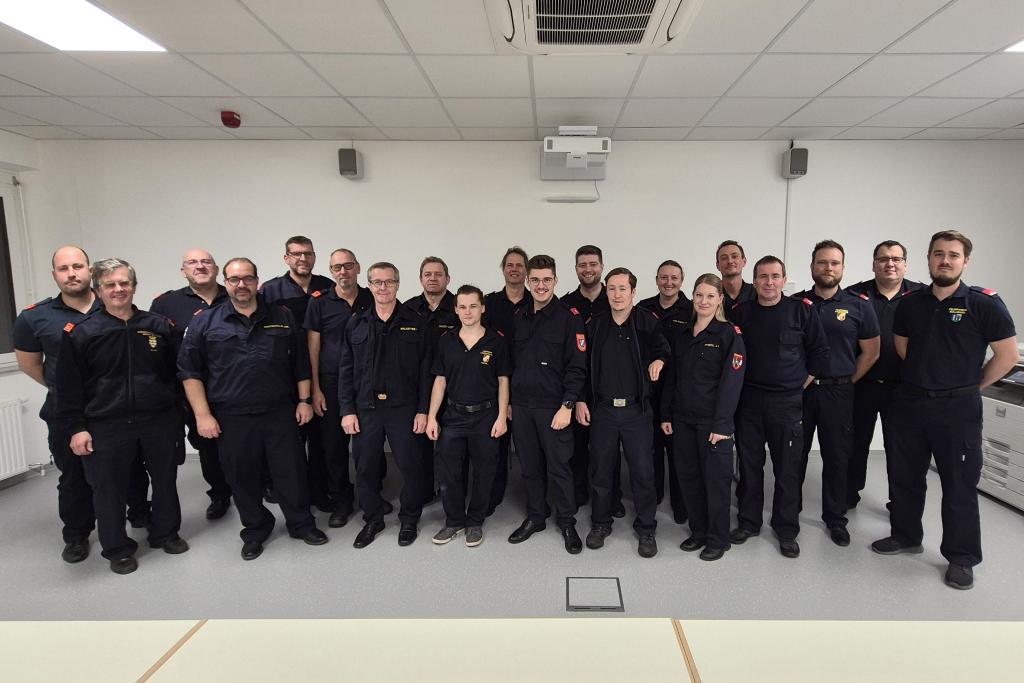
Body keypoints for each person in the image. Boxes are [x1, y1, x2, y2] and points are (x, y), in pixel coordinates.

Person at [872, 230, 1017, 590]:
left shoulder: (984, 303)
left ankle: (961, 557)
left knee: (958, 486)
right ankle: (906, 535)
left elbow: (1008, 356)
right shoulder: (911, 302)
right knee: (904, 477)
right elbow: (903, 346)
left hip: (958, 409)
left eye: (953, 255)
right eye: (939, 254)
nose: (945, 260)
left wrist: (970, 385)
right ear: (928, 258)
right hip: (911, 403)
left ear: (965, 261)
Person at [178, 257, 328, 561]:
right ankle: (256, 529)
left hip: (280, 412)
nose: (241, 285)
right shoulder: (205, 321)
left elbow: (299, 362)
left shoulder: (282, 316)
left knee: (291, 472)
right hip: (231, 416)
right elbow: (189, 372)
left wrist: (304, 400)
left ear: (257, 282)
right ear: (226, 282)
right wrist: (202, 415)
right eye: (234, 279)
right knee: (242, 476)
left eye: (247, 279)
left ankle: (301, 524)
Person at [13, 247, 149, 564]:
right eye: (63, 268)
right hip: (68, 413)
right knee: (74, 477)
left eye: (77, 266)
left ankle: (141, 514)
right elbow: (30, 364)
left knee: (131, 470)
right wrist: (66, 391)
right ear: (54, 275)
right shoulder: (35, 317)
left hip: (118, 410)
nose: (71, 273)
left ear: (90, 270)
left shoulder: (115, 301)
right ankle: (76, 535)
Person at [56, 258, 186, 575]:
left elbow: (174, 376)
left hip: (158, 420)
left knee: (166, 481)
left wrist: (175, 415)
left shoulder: (157, 325)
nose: (119, 290)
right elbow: (68, 388)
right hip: (105, 423)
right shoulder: (81, 332)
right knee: (108, 489)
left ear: (134, 286)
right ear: (98, 289)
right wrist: (77, 429)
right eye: (111, 284)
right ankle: (117, 548)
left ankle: (166, 533)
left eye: (124, 283)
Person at [729, 256, 829, 558]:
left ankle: (786, 529)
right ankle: (748, 522)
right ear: (754, 280)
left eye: (775, 276)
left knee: (787, 469)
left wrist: (797, 386)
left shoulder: (801, 312)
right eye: (762, 277)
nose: (769, 282)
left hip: (787, 404)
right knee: (749, 466)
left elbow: (819, 355)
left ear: (784, 280)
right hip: (748, 403)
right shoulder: (741, 313)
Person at [575, 268, 669, 558]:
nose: (617, 295)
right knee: (601, 471)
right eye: (612, 289)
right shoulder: (596, 324)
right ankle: (601, 524)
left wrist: (658, 360)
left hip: (636, 413)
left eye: (622, 289)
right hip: (602, 410)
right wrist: (580, 401)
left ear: (633, 292)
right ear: (606, 291)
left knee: (642, 473)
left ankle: (646, 529)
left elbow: (663, 349)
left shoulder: (646, 321)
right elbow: (580, 365)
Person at [339, 262, 432, 549]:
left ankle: (409, 519)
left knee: (411, 466)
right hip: (366, 408)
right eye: (377, 282)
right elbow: (345, 369)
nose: (383, 288)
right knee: (365, 467)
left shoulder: (416, 322)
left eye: (389, 282)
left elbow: (427, 370)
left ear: (398, 285)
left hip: (403, 409)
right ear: (369, 285)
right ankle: (373, 518)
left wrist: (423, 409)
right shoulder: (356, 323)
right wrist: (347, 410)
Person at [793, 240, 880, 547]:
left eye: (834, 263)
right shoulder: (796, 303)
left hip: (839, 394)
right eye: (822, 262)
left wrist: (846, 381)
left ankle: (835, 518)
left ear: (842, 268)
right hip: (801, 395)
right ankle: (789, 516)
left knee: (837, 458)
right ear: (812, 266)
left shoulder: (859, 305)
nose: (828, 268)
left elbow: (871, 352)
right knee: (795, 456)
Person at [660, 274, 746, 561]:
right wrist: (666, 414)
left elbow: (732, 384)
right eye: (699, 295)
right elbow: (672, 377)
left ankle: (718, 538)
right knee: (689, 479)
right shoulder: (683, 333)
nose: (704, 301)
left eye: (710, 296)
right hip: (683, 419)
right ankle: (698, 532)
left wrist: (722, 425)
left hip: (713, 424)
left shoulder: (728, 334)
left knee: (716, 482)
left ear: (720, 299)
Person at [507, 255, 587, 554]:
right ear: (528, 281)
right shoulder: (520, 316)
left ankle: (567, 521)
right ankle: (536, 516)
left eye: (547, 280)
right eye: (535, 280)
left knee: (559, 467)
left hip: (554, 407)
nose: (541, 285)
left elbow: (577, 367)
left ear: (555, 281)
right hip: (523, 406)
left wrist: (568, 405)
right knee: (529, 467)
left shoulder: (569, 317)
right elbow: (513, 362)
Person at [150, 248, 232, 520]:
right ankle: (220, 494)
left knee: (248, 441)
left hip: (237, 385)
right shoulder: (166, 304)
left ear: (216, 268)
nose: (200, 266)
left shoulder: (235, 293)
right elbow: (157, 350)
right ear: (183, 270)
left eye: (206, 261)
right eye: (193, 262)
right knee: (207, 445)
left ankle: (261, 485)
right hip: (192, 389)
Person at [426, 285, 510, 547]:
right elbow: (440, 381)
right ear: (456, 309)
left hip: (486, 417)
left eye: (473, 306)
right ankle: (453, 522)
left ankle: (475, 521)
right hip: (453, 417)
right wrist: (431, 417)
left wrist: (501, 418)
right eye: (462, 306)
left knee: (485, 473)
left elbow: (503, 381)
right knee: (449, 474)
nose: (468, 311)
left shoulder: (496, 341)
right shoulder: (447, 340)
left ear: (482, 308)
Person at [844, 241, 924, 510]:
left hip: (902, 389)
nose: (890, 264)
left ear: (905, 264)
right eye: (883, 259)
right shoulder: (854, 295)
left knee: (901, 450)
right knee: (854, 445)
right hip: (862, 385)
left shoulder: (921, 297)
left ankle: (899, 502)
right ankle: (848, 495)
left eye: (896, 259)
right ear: (873, 263)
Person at [259, 235, 334, 511]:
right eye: (297, 254)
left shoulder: (327, 287)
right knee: (287, 439)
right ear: (286, 258)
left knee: (320, 437)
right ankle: (286, 488)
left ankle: (319, 490)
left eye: (308, 253)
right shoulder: (270, 291)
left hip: (320, 371)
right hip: (284, 373)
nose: (303, 258)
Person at [305, 248, 373, 528]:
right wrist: (315, 390)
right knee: (333, 447)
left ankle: (371, 495)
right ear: (331, 271)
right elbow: (313, 348)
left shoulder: (372, 296)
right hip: (331, 384)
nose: (343, 272)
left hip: (367, 382)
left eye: (348, 266)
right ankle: (342, 500)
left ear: (358, 268)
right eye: (336, 268)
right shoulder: (319, 302)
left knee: (368, 445)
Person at [638, 259, 693, 525]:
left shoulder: (692, 310)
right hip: (649, 389)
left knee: (678, 450)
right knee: (651, 449)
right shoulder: (643, 309)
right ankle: (656, 494)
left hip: (680, 390)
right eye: (663, 277)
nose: (668, 282)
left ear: (681, 281)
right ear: (656, 279)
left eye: (674, 278)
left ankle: (682, 503)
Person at [561, 245, 614, 511]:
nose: (588, 269)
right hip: (578, 387)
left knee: (608, 448)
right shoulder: (566, 305)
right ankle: (579, 491)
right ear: (576, 269)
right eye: (583, 265)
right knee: (578, 445)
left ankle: (611, 498)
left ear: (601, 266)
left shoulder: (615, 299)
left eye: (593, 264)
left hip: (609, 387)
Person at [483, 246, 532, 515]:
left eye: (519, 265)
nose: (514, 269)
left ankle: (535, 500)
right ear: (503, 269)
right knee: (496, 447)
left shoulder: (538, 301)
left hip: (529, 384)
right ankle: (492, 496)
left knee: (530, 449)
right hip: (495, 383)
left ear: (526, 271)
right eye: (510, 265)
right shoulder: (489, 304)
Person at [405, 256, 459, 499]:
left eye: (438, 274)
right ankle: (425, 489)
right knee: (419, 443)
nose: (433, 278)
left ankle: (452, 490)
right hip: (416, 385)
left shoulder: (460, 307)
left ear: (447, 278)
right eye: (428, 274)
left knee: (451, 444)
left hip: (452, 385)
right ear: (420, 279)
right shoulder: (407, 308)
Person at [717, 240, 756, 312]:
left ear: (744, 262)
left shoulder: (757, 294)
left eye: (734, 256)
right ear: (718, 265)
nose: (730, 261)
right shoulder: (710, 295)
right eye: (724, 258)